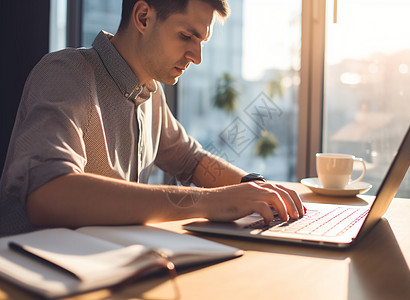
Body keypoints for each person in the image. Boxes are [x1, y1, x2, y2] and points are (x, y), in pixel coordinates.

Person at [0, 0, 305, 237]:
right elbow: (48, 194)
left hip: (112, 268)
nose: (197, 57)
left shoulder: (150, 91)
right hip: (34, 277)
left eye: (201, 41)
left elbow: (191, 160)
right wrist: (209, 203)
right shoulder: (66, 73)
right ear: (143, 17)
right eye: (186, 36)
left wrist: (254, 188)